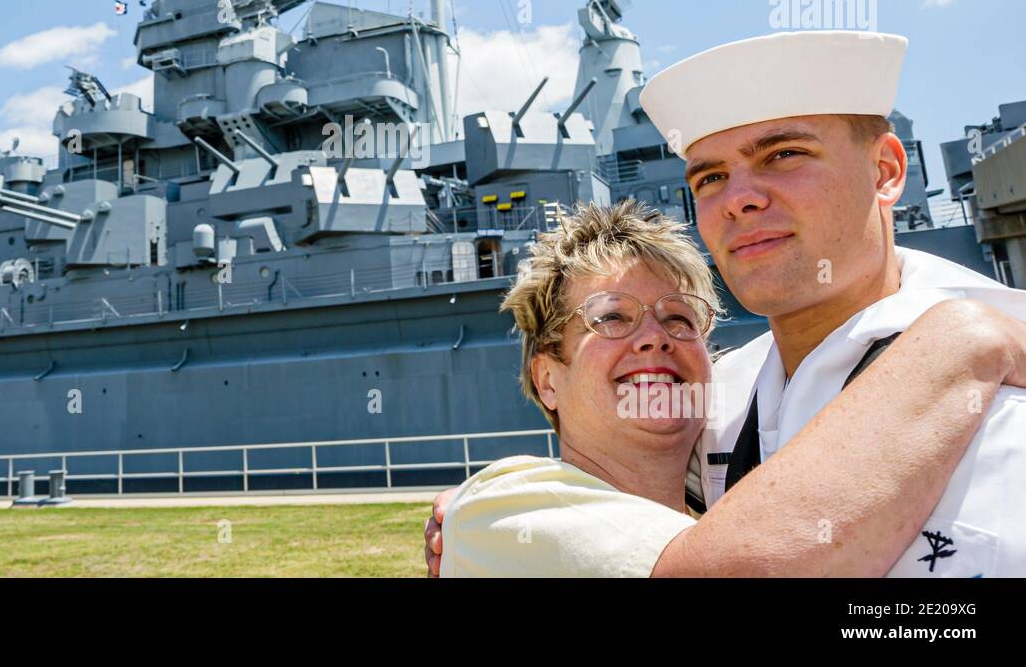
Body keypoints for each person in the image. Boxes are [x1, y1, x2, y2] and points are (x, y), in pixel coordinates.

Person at [428, 30, 1026, 577]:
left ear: (886, 170)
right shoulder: (720, 403)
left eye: (783, 154)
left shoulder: (1006, 379)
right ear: (545, 376)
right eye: (711, 177)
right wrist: (502, 516)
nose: (740, 198)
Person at [436, 199, 1025, 577]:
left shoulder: (724, 493)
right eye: (611, 317)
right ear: (548, 379)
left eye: (679, 318)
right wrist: (965, 338)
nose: (654, 339)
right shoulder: (504, 509)